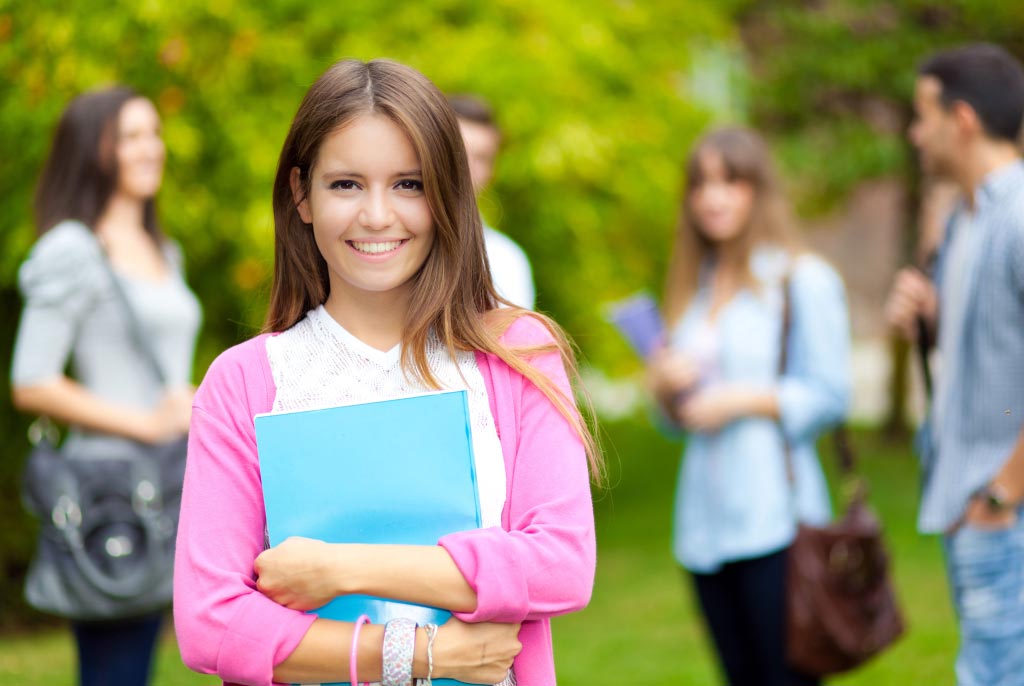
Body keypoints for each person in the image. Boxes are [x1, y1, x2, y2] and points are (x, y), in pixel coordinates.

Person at [173, 58, 597, 686]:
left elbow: (561, 563)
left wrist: (340, 569)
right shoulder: (244, 381)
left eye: (408, 184)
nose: (377, 215)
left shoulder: (515, 354)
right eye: (346, 184)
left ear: (447, 194)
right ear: (301, 195)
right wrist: (417, 654)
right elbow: (210, 621)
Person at [10, 87, 201, 686]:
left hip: (174, 481)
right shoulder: (72, 249)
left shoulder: (162, 248)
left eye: (154, 133)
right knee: (115, 669)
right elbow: (31, 380)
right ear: (93, 150)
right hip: (111, 493)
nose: (151, 149)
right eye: (131, 137)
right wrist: (147, 421)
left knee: (144, 660)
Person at [647, 127, 850, 686]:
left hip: (775, 519)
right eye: (701, 184)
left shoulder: (799, 279)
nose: (713, 197)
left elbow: (831, 395)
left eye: (730, 181)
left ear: (759, 189)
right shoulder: (695, 285)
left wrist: (741, 400)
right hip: (704, 524)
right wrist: (666, 392)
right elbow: (674, 423)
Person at [885, 43, 1024, 686]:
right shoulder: (966, 221)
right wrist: (932, 317)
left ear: (961, 119)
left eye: (923, 115)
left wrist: (1002, 494)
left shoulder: (1019, 216)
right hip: (969, 506)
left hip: (1004, 515)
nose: (916, 134)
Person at [449, 94, 536, 309]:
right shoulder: (386, 237)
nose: (467, 168)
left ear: (492, 171)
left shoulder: (505, 259)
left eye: (481, 157)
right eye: (457, 152)